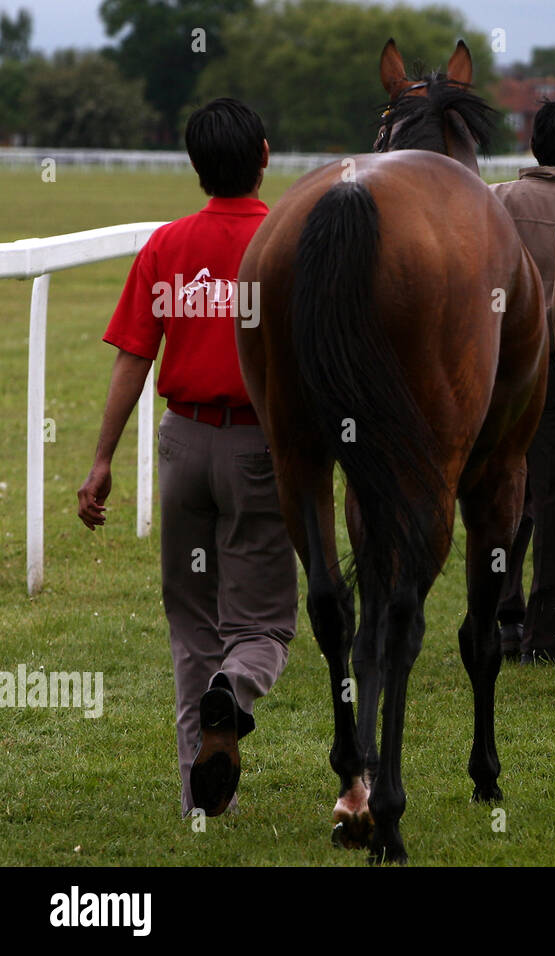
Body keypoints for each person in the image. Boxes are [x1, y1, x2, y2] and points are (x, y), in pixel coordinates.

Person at [76, 98, 296, 818]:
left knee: (190, 622)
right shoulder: (290, 243)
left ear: (194, 164)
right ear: (264, 156)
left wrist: (102, 460)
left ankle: (200, 803)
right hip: (258, 450)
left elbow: (134, 358)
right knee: (261, 627)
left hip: (181, 446)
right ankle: (233, 693)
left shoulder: (166, 246)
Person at [491, 99, 555, 664]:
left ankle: (501, 617)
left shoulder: (495, 199)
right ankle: (548, 635)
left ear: (532, 146)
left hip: (501, 365)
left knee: (502, 489)